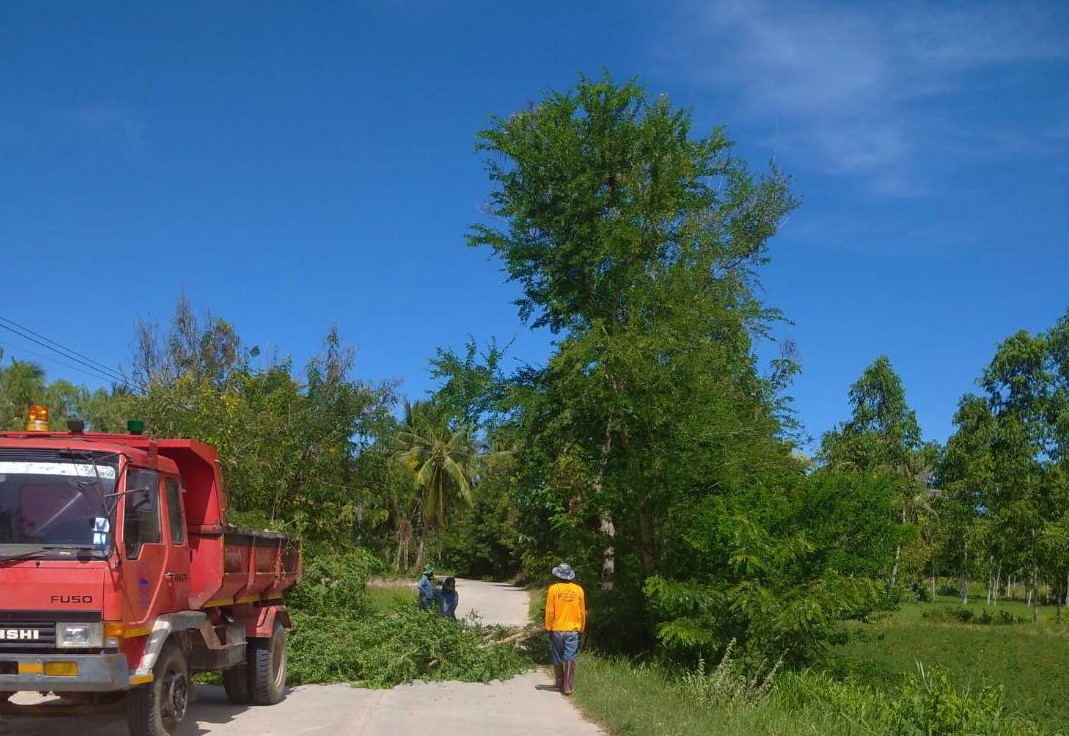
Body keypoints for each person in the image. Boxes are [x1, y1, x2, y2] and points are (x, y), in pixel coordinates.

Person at [544, 562, 585, 696]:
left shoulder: (553, 589)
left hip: (557, 629)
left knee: (557, 655)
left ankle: (559, 683)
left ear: (558, 575)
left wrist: (548, 626)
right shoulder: (578, 590)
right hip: (573, 629)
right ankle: (567, 687)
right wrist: (582, 627)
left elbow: (550, 611)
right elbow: (582, 611)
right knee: (570, 656)